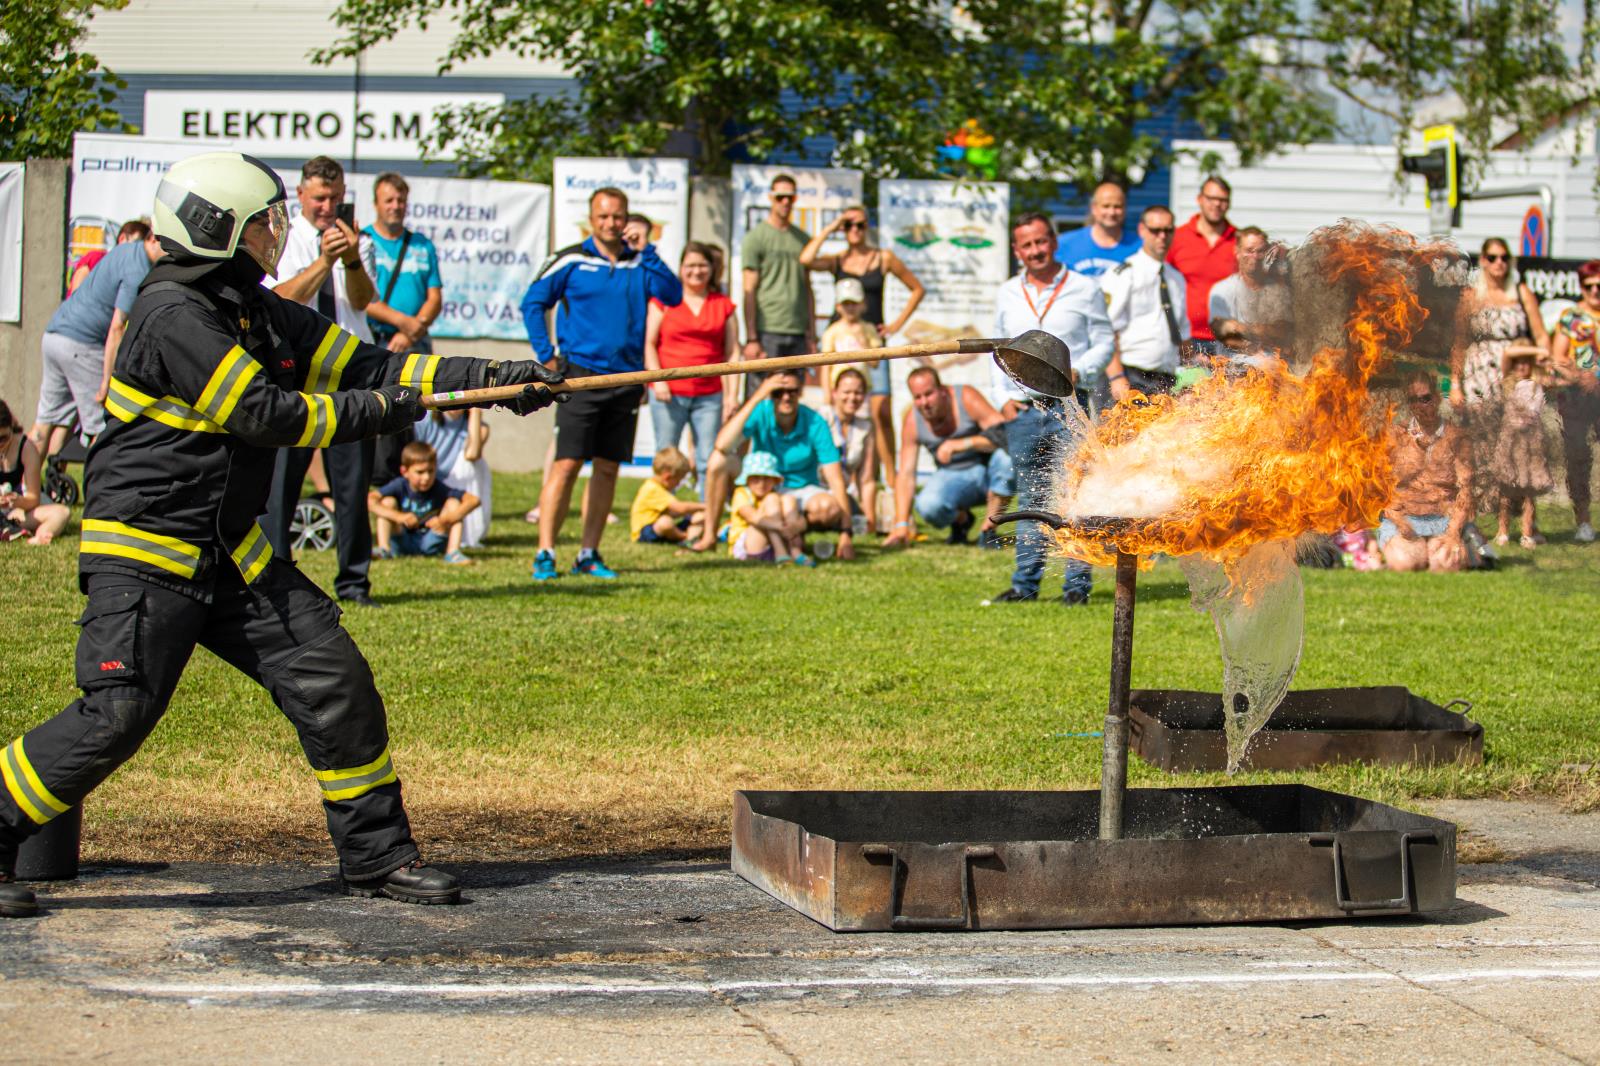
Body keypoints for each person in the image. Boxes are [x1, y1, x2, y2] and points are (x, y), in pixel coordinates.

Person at [0, 150, 563, 920]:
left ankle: (377, 856)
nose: (281, 230)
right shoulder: (174, 315)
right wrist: (394, 410)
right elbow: (267, 414)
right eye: (267, 220)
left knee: (334, 682)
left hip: (230, 552)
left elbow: (372, 367)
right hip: (148, 551)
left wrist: (500, 381)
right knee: (118, 713)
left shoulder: (254, 311)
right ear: (220, 229)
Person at [523, 186, 682, 581]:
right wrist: (546, 356)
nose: (611, 223)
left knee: (608, 468)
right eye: (604, 216)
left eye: (618, 216)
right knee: (566, 465)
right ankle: (545, 552)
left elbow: (673, 295)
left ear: (627, 219)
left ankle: (588, 553)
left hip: (626, 378)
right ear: (591, 219)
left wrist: (648, 251)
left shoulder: (641, 262)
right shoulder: (571, 259)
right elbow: (532, 302)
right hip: (578, 377)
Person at [261, 156, 383, 609]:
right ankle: (274, 575)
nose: (328, 207)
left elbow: (362, 301)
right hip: (298, 370)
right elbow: (281, 299)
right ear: (300, 195)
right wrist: (324, 260)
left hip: (350, 370)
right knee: (281, 481)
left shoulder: (360, 240)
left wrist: (349, 258)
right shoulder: (282, 237)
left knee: (352, 484)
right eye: (319, 199)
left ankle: (354, 582)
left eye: (335, 198)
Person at [988, 212, 1113, 605]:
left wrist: (1081, 371)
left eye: (1041, 241)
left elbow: (1105, 341)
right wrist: (1001, 398)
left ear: (1054, 242)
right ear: (1016, 250)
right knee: (1030, 500)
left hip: (1069, 406)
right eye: (1026, 245)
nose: (1035, 250)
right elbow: (996, 347)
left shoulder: (1084, 287)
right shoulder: (1008, 292)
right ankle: (1024, 586)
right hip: (1023, 410)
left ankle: (1076, 588)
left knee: (1074, 495)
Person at [799, 203, 926, 502]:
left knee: (880, 412)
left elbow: (917, 289)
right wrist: (832, 227)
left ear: (868, 226)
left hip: (871, 343)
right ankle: (844, 480)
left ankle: (891, 481)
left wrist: (895, 325)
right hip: (841, 343)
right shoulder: (837, 259)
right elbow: (806, 259)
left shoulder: (883, 258)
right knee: (840, 410)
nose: (854, 230)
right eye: (848, 225)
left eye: (859, 224)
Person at [30, 226, 163, 457]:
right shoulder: (138, 270)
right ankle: (96, 481)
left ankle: (35, 480)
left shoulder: (125, 250)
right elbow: (117, 328)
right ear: (151, 239)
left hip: (54, 336)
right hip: (81, 344)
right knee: (101, 429)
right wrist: (106, 382)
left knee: (48, 421)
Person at [1450, 238, 1551, 531]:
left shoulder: (1521, 292)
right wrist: (1455, 383)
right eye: (1493, 257)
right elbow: (1459, 341)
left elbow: (1541, 335)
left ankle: (1520, 519)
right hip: (1479, 375)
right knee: (1479, 447)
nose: (1499, 263)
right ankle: (1477, 515)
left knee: (1519, 447)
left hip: (1515, 376)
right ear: (1483, 260)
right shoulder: (1471, 295)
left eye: (1504, 257)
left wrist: (1543, 367)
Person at [698, 371, 855, 559]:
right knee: (718, 460)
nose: (786, 397)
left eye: (792, 391)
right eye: (778, 392)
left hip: (801, 490)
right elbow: (722, 445)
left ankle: (793, 532)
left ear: (800, 391)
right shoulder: (761, 410)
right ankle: (709, 537)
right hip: (763, 486)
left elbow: (836, 480)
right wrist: (758, 395)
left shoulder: (815, 421)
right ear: (770, 393)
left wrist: (846, 534)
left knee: (828, 507)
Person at [644, 241, 737, 491]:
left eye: (702, 265)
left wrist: (731, 395)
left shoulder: (723, 304)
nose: (696, 271)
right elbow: (649, 344)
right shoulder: (664, 300)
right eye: (690, 265)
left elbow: (732, 352)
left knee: (708, 458)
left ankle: (708, 512)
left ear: (711, 268)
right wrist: (658, 380)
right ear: (681, 268)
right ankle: (660, 511)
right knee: (667, 458)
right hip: (668, 394)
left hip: (709, 395)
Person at [884, 367, 1013, 546]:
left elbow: (1007, 435)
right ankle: (962, 520)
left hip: (988, 472)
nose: (924, 402)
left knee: (1007, 459)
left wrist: (964, 443)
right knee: (927, 505)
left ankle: (989, 529)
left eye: (928, 394)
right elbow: (905, 474)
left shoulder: (966, 398)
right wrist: (901, 525)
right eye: (917, 397)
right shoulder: (912, 421)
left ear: (942, 390)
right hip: (953, 475)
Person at [1379, 374, 1475, 572]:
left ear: (1437, 397)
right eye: (1413, 400)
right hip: (1403, 519)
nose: (1420, 405)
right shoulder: (1395, 435)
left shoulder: (1457, 437)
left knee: (1445, 563)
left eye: (1425, 398)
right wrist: (1397, 520)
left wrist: (1453, 533)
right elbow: (1379, 486)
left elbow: (1466, 490)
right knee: (1404, 563)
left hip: (1445, 519)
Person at [1101, 205, 1189, 402]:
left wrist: (1194, 369)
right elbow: (1106, 330)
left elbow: (1183, 333)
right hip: (1131, 376)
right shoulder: (1124, 274)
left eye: (1168, 230)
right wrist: (1116, 377)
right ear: (1142, 230)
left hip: (1167, 379)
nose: (1162, 236)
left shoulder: (1176, 278)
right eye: (1155, 230)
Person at [740, 174, 814, 376]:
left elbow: (808, 288)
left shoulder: (803, 239)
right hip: (767, 329)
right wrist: (752, 338)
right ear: (771, 198)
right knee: (763, 390)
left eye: (790, 197)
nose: (785, 202)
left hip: (798, 330)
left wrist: (811, 334)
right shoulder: (755, 237)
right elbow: (749, 289)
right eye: (780, 197)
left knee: (794, 390)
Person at [1550, 259, 1600, 542]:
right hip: (1576, 397)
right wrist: (1581, 377)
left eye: (1599, 285)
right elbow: (1558, 358)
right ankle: (1583, 521)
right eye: (1589, 286)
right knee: (1578, 458)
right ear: (1581, 287)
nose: (1595, 291)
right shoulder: (1571, 317)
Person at [369, 440, 479, 564]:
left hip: (430, 542)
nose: (426, 477)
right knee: (387, 502)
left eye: (431, 471)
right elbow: (370, 500)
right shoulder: (400, 485)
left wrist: (444, 520)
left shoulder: (438, 487)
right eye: (420, 472)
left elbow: (474, 500)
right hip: (401, 540)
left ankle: (453, 553)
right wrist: (399, 517)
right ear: (404, 471)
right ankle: (384, 549)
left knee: (454, 503)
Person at [1493, 343, 1555, 550]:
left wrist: (1542, 357)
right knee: (1506, 490)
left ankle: (1527, 533)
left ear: (1532, 365)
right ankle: (1502, 531)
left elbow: (1550, 366)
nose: (1521, 367)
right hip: (1509, 443)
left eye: (1525, 363)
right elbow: (1508, 353)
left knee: (1528, 491)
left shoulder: (1538, 384)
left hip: (1531, 445)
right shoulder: (1507, 383)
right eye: (1517, 363)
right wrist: (1535, 351)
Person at [1167, 175, 1238, 352]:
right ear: (1199, 199)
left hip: (1228, 340)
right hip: (1185, 338)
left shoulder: (1239, 242)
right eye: (1211, 198)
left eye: (1222, 200)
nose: (1217, 204)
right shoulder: (1177, 238)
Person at [1207, 227, 1293, 356]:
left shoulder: (1280, 291)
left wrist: (1240, 328)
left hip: (1275, 365)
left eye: (1260, 251)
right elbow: (1224, 335)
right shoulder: (1221, 291)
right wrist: (1261, 342)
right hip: (1232, 365)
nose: (1255, 256)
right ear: (1237, 252)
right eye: (1249, 250)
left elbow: (1284, 333)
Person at [412, 409, 491, 549]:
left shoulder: (479, 426)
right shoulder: (424, 420)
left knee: (472, 467)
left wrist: (475, 411)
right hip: (427, 482)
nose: (456, 404)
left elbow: (472, 454)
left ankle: (456, 545)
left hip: (453, 486)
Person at [0, 399, 70, 546]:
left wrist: (17, 501)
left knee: (62, 513)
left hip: (18, 511)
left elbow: (33, 498)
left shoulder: (26, 448)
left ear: (11, 427)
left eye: (3, 438)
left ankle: (40, 536)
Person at [726, 450, 811, 565]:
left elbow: (803, 521)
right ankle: (782, 551)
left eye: (766, 478)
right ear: (747, 479)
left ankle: (794, 550)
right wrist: (781, 526)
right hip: (750, 545)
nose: (761, 483)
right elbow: (753, 517)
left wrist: (793, 527)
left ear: (774, 480)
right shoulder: (742, 493)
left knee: (788, 499)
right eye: (756, 478)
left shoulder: (777, 495)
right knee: (771, 503)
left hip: (774, 542)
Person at [822, 368, 877, 528]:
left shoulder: (866, 427)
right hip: (816, 489)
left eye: (858, 393)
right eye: (846, 392)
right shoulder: (822, 417)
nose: (852, 398)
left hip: (843, 494)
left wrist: (870, 519)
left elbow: (867, 479)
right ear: (834, 393)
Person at [1054, 182, 1142, 276]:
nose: (1111, 212)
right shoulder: (1064, 245)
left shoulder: (1140, 247)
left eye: (1117, 207)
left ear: (1125, 209)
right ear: (1094, 208)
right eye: (1106, 206)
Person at [630, 446, 706, 545]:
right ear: (668, 477)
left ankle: (691, 539)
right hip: (645, 533)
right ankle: (685, 537)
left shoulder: (659, 487)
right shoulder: (652, 489)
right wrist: (705, 506)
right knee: (665, 522)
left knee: (699, 516)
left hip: (661, 530)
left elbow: (674, 512)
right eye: (678, 480)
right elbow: (680, 508)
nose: (678, 484)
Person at [818, 277, 882, 379]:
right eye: (846, 304)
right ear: (838, 306)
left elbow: (875, 364)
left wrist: (863, 341)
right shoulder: (831, 331)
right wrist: (826, 389)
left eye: (854, 303)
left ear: (863, 304)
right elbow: (826, 366)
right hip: (838, 386)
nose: (850, 308)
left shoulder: (869, 329)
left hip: (863, 384)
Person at [67, 220, 152, 295]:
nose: (139, 251)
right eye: (137, 244)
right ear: (122, 238)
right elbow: (75, 296)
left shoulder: (132, 276)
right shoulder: (96, 259)